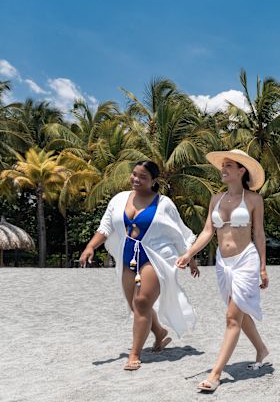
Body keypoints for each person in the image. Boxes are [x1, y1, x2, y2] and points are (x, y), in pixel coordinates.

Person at [79, 161, 199, 371]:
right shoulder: (119, 199)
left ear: (153, 181)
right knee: (136, 307)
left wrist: (189, 258)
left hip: (156, 257)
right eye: (134, 174)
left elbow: (178, 233)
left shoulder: (164, 203)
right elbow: (105, 227)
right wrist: (90, 247)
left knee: (142, 302)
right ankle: (160, 333)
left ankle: (134, 353)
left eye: (142, 177)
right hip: (127, 257)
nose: (136, 179)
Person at [176, 149, 269, 393]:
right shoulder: (215, 199)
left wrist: (262, 267)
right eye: (223, 165)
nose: (223, 169)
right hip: (223, 262)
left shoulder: (253, 200)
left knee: (231, 317)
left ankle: (215, 374)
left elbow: (258, 234)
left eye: (229, 165)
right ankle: (261, 349)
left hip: (245, 261)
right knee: (239, 313)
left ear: (241, 171)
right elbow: (208, 231)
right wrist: (189, 253)